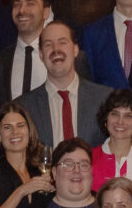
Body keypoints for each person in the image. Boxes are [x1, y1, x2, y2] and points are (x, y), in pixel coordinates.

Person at [18, 20, 113, 151]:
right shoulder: (24, 107)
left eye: (62, 42)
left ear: (76, 50)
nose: (56, 49)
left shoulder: (105, 99)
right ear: (41, 55)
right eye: (48, 45)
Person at [0, 0, 55, 105]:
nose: (22, 10)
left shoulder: (62, 57)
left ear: (46, 12)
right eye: (17, 4)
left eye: (30, 4)